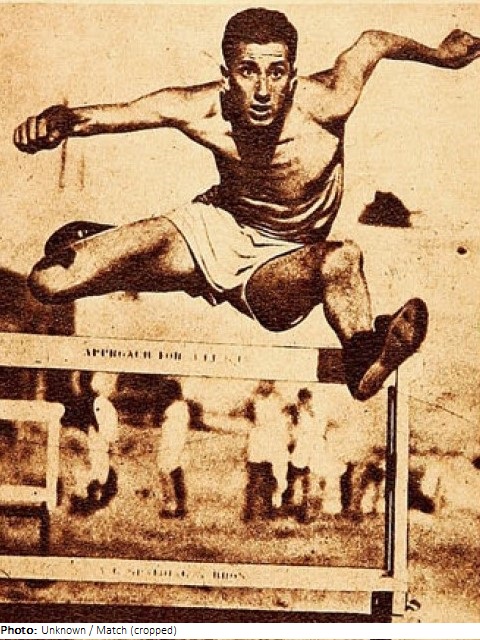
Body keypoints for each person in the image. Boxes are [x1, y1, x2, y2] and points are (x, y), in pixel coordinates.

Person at [13, 9, 480, 400]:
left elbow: (372, 42)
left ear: (292, 77)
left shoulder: (328, 102)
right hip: (212, 228)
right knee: (48, 281)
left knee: (342, 259)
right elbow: (116, 115)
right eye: (247, 71)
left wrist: (440, 56)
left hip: (282, 263)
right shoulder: (202, 108)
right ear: (226, 77)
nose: (262, 90)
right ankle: (113, 250)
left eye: (276, 72)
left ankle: (364, 353)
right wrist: (57, 122)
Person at [244, 380, 290, 520]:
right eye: (263, 382)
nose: (265, 385)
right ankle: (250, 512)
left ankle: (269, 510)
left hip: (273, 444)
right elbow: (249, 417)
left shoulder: (279, 400)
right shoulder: (253, 400)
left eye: (269, 382)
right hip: (257, 444)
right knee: (253, 478)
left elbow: (284, 423)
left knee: (273, 478)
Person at [284, 387, 325, 523]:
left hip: (312, 449)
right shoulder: (295, 413)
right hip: (299, 449)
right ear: (301, 400)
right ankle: (293, 510)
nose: (307, 402)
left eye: (308, 399)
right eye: (304, 400)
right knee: (294, 480)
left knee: (310, 480)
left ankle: (308, 512)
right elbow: (292, 431)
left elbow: (319, 431)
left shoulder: (314, 414)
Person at [155, 379, 189, 519]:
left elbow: (173, 433)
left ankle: (173, 507)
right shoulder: (179, 408)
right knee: (174, 476)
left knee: (169, 476)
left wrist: (169, 450)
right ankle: (178, 507)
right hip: (172, 447)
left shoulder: (175, 410)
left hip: (172, 448)